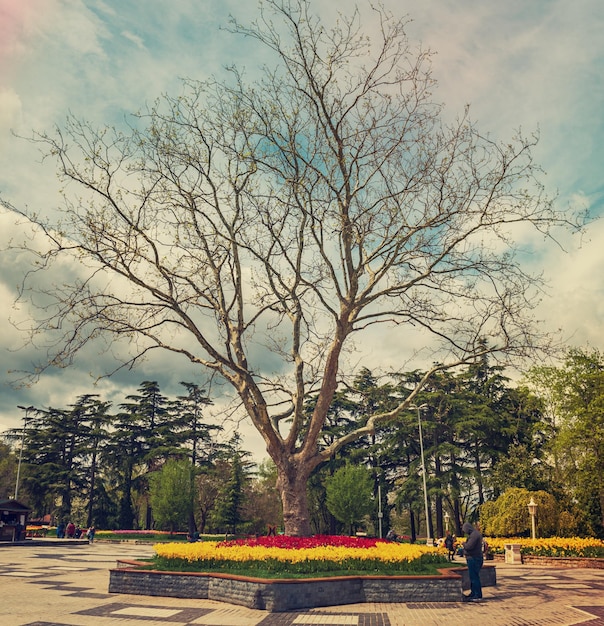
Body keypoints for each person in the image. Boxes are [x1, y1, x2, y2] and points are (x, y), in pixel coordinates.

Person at [461, 522, 484, 601]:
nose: (465, 532)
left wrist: (463, 543)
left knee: (474, 577)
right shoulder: (474, 534)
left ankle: (477, 595)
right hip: (473, 558)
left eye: (465, 530)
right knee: (473, 577)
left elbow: (469, 546)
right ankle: (473, 593)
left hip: (474, 558)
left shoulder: (474, 535)